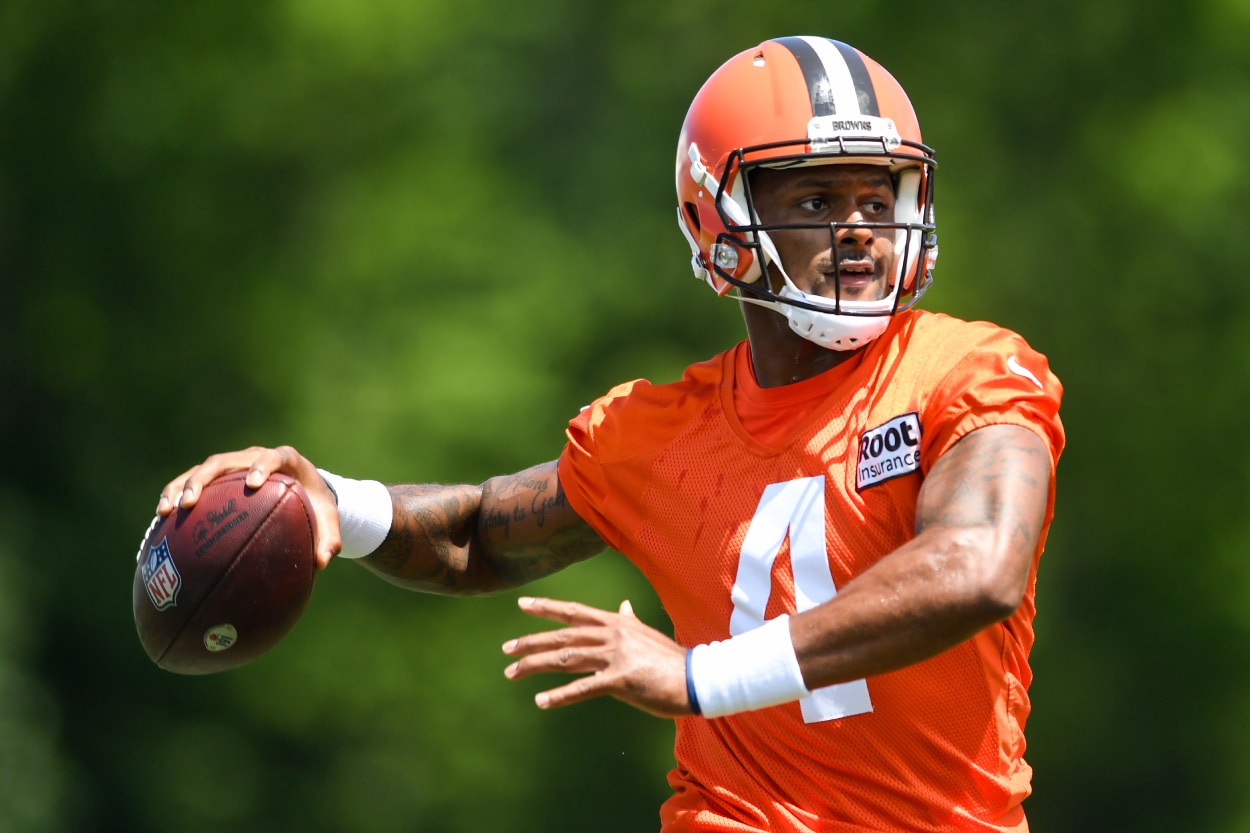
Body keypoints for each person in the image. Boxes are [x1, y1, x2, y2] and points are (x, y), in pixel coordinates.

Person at [158, 35, 1064, 833]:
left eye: (879, 196)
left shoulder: (970, 370)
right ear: (722, 220)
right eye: (819, 201)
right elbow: (479, 534)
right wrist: (333, 500)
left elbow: (978, 566)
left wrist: (703, 677)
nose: (861, 231)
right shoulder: (659, 433)